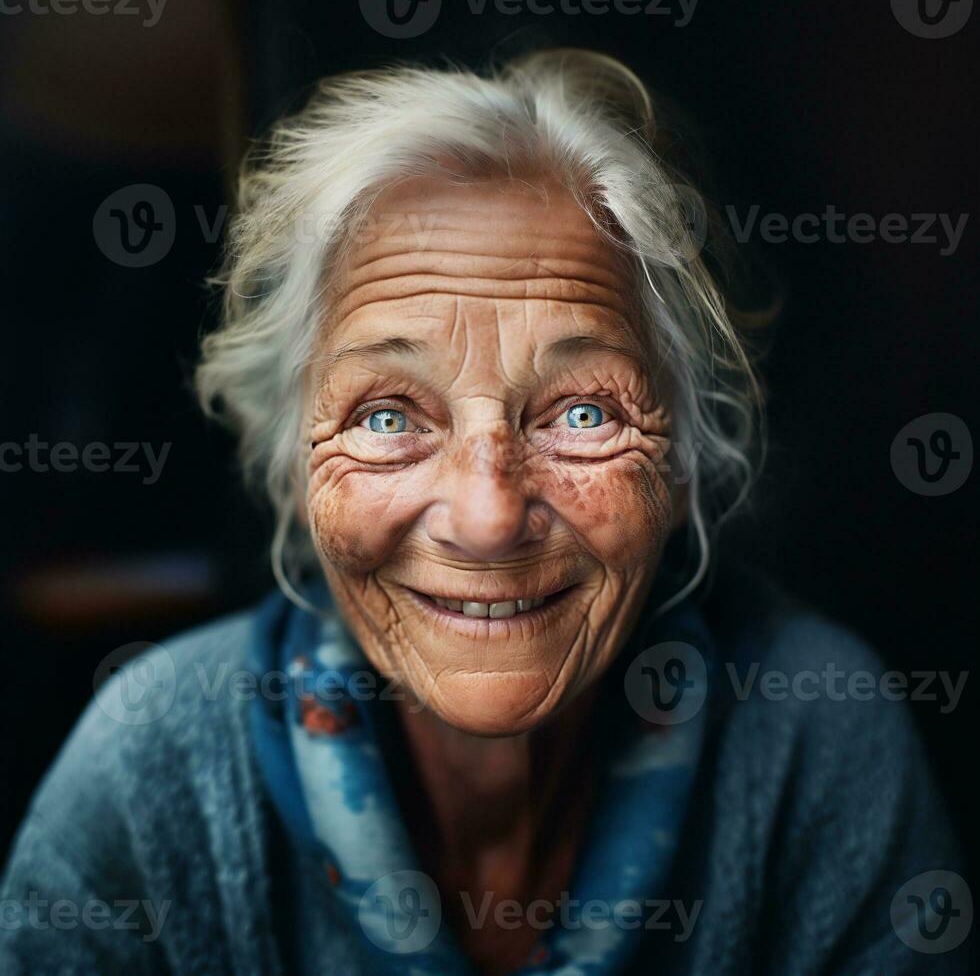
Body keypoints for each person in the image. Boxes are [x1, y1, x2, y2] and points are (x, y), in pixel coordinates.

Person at [1, 50, 967, 975]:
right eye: (387, 416)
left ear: (681, 464)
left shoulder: (815, 739)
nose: (489, 515)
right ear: (294, 467)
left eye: (584, 413)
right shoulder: (154, 774)